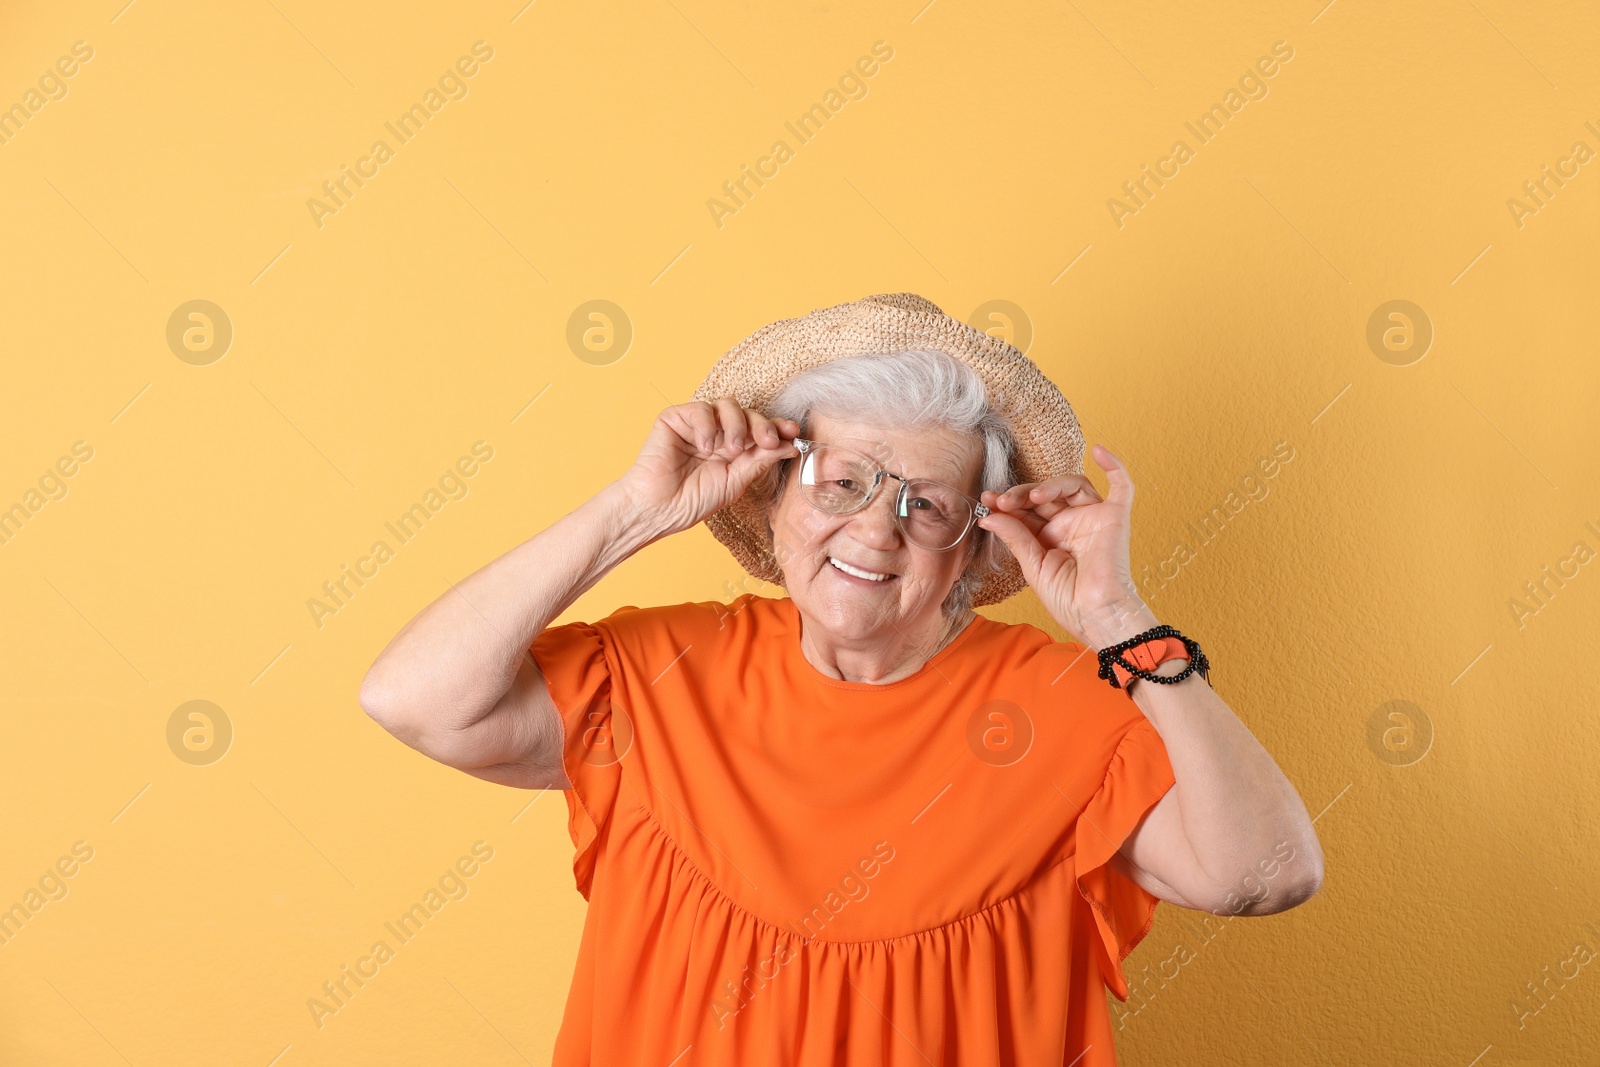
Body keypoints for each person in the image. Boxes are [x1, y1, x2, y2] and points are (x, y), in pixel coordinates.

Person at [359, 293, 1325, 1065]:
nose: (875, 529)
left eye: (926, 502)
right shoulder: (662, 674)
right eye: (843, 481)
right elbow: (412, 699)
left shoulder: (1067, 712)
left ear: (970, 548)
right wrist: (632, 512)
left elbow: (1267, 874)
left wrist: (1121, 619)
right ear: (775, 494)